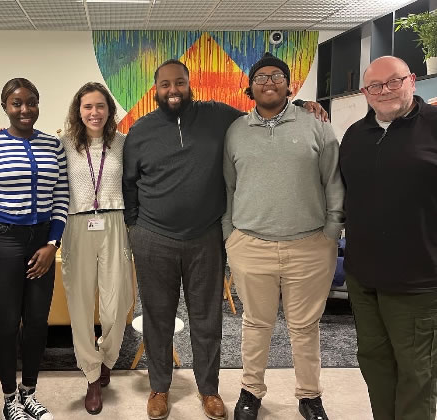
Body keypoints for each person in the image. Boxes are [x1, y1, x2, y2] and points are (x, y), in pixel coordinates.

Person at [122, 58, 327, 420]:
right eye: (166, 84)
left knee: (207, 319)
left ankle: (209, 390)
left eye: (180, 83)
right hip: (154, 237)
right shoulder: (141, 130)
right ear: (156, 89)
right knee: (158, 317)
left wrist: (302, 107)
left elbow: (264, 116)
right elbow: (129, 185)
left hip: (205, 236)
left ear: (190, 84)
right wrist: (136, 227)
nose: (173, 90)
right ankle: (159, 387)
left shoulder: (220, 116)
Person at [222, 53, 344, 420]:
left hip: (310, 246)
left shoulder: (316, 125)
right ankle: (250, 392)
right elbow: (229, 187)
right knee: (255, 324)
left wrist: (331, 232)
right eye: (261, 77)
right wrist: (230, 235)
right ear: (250, 88)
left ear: (289, 85)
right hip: (250, 245)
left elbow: (333, 180)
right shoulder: (235, 131)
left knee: (305, 326)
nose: (269, 81)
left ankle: (309, 396)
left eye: (277, 76)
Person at [339, 55, 437, 420]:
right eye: (375, 86)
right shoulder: (355, 136)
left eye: (393, 81)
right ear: (365, 92)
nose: (384, 91)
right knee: (375, 363)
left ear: (412, 80)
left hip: (418, 280)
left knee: (418, 373)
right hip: (364, 276)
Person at [0, 78, 68, 420]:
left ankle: (30, 393)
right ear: (5, 107)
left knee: (38, 322)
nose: (25, 109)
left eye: (31, 102)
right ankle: (9, 397)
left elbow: (61, 198)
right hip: (3, 240)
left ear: (38, 104)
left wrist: (51, 244)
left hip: (42, 239)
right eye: (17, 103)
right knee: (8, 322)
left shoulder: (53, 146)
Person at [60, 82, 134, 415]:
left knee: (118, 304)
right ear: (79, 110)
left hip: (115, 223)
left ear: (109, 110)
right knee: (79, 302)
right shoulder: (63, 144)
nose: (94, 112)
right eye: (88, 106)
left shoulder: (123, 144)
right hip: (77, 224)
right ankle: (91, 375)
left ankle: (107, 356)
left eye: (100, 106)